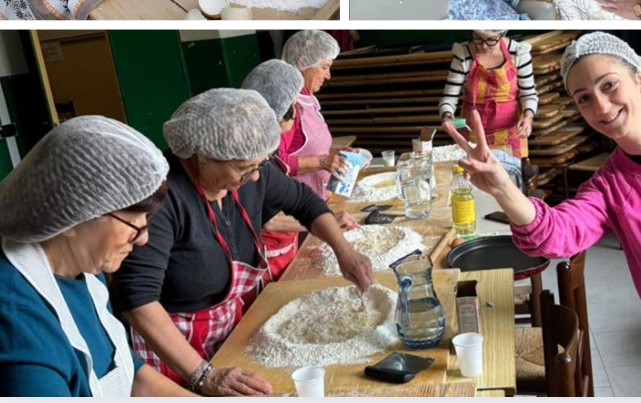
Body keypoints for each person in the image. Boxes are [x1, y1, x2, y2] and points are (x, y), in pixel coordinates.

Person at [444, 32, 641, 397]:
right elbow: (555, 233)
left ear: (640, 78)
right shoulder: (609, 187)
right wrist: (502, 188)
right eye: (585, 100)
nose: (603, 108)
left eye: (610, 85)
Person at [110, 88, 373, 396]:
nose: (257, 178)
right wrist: (203, 375)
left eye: (259, 165)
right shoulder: (164, 199)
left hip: (228, 334)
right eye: (244, 168)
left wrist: (344, 251)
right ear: (203, 157)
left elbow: (304, 201)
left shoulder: (251, 173)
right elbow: (137, 298)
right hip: (172, 352)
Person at [0, 116, 195, 397]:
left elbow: (129, 374)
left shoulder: (85, 269)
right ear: (71, 216)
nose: (144, 239)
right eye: (134, 226)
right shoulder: (19, 324)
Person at [242, 59, 359, 281]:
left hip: (288, 240)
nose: (297, 113)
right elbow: (270, 219)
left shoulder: (265, 152)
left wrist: (327, 223)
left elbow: (299, 200)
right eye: (294, 105)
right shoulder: (252, 157)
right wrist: (330, 221)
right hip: (266, 251)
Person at [439, 29, 538, 158]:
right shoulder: (463, 55)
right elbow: (449, 98)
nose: (484, 45)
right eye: (478, 38)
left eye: (491, 40)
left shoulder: (518, 53)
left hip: (510, 132)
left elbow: (528, 94)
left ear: (502, 34)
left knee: (508, 175)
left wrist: (527, 117)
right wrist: (447, 115)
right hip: (473, 131)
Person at [278, 30, 349, 201]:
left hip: (321, 201)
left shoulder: (310, 100)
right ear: (304, 62)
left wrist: (336, 155)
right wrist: (321, 162)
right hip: (297, 213)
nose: (328, 76)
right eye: (324, 67)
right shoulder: (289, 106)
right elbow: (277, 162)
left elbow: (305, 148)